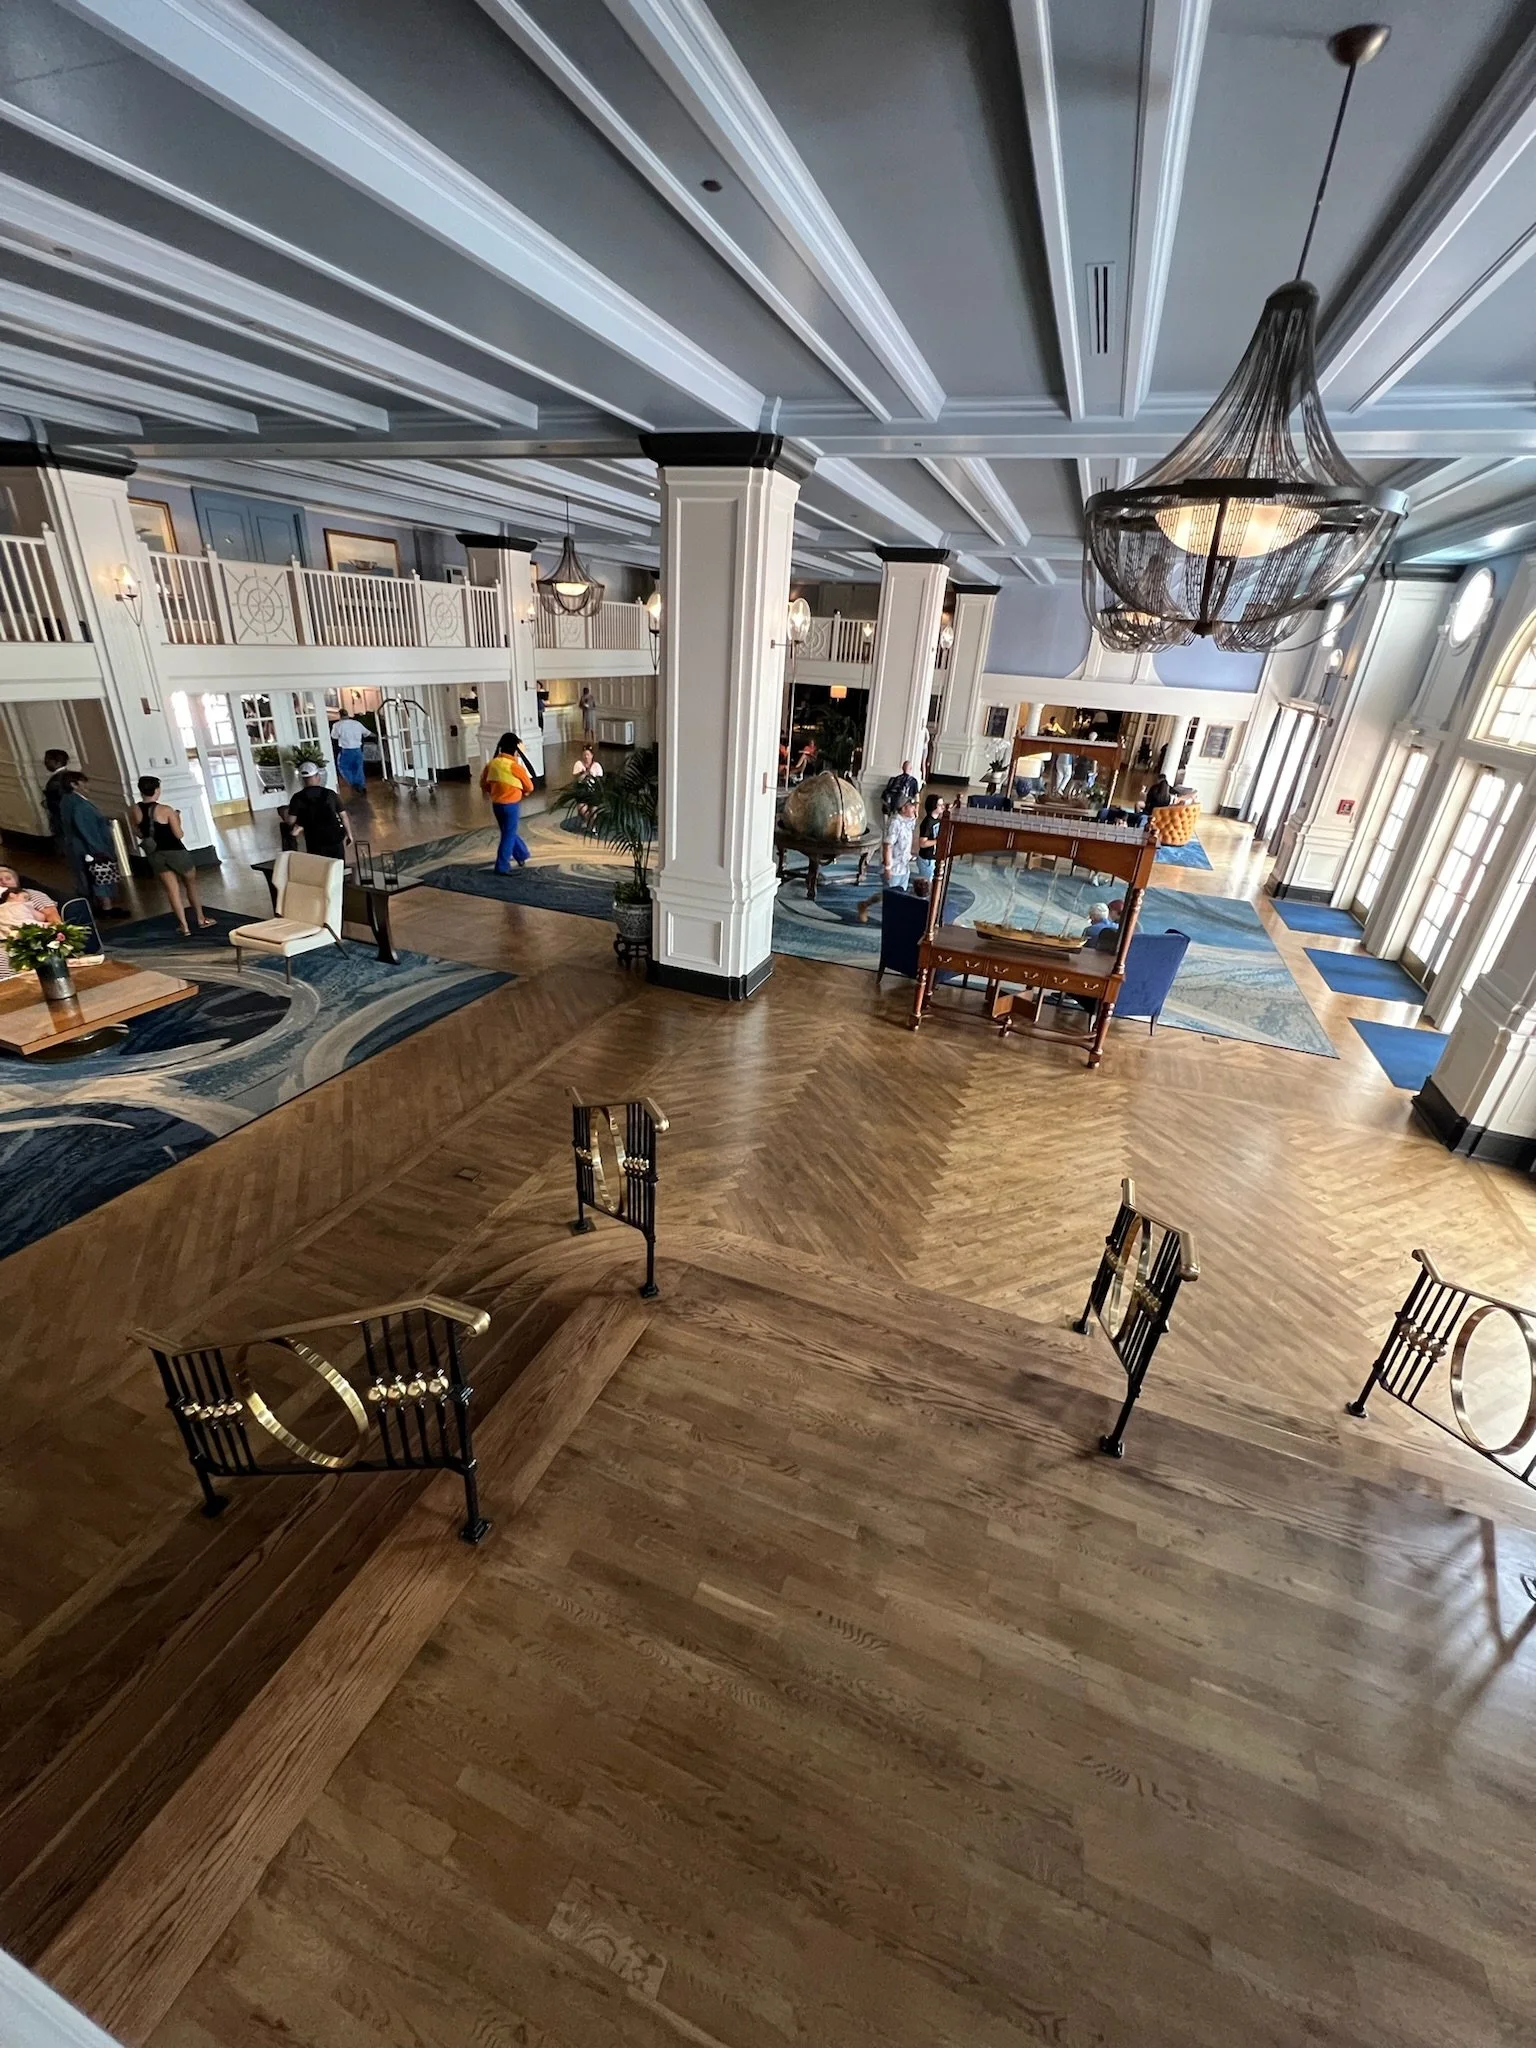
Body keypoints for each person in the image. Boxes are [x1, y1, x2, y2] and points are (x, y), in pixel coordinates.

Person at [134, 776, 214, 937]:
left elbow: (138, 832)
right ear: (157, 790)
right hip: (175, 852)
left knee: (172, 891)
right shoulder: (166, 810)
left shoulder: (134, 809)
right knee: (190, 884)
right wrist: (178, 818)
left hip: (155, 854)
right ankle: (200, 919)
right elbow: (178, 834)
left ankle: (184, 926)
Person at [57, 772, 126, 916]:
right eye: (83, 782)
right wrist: (99, 849)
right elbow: (87, 829)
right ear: (73, 784)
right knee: (99, 875)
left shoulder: (67, 801)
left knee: (87, 877)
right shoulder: (80, 805)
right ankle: (106, 908)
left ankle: (97, 906)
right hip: (89, 848)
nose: (87, 785)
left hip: (77, 847)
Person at [480, 730, 535, 873]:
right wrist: (525, 792)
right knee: (508, 834)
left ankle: (521, 854)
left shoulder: (492, 764)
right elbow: (529, 786)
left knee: (507, 832)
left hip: (496, 805)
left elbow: (483, 783)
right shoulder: (514, 766)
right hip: (511, 805)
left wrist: (492, 791)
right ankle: (502, 865)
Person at [288, 759, 352, 860]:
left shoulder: (297, 798)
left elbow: (291, 821)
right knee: (338, 867)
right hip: (334, 838)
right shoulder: (330, 794)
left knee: (319, 868)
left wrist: (299, 827)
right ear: (318, 776)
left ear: (302, 779)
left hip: (314, 840)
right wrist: (349, 835)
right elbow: (343, 816)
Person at [883, 794, 918, 892]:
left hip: (904, 868)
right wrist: (887, 868)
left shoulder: (907, 821)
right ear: (903, 808)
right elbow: (888, 846)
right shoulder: (895, 823)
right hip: (894, 870)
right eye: (911, 806)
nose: (914, 808)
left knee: (901, 896)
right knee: (891, 898)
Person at [330, 710, 369, 796]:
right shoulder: (357, 723)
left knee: (344, 767)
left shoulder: (337, 725)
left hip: (346, 750)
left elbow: (334, 736)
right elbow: (367, 733)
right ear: (348, 714)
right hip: (358, 749)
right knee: (359, 768)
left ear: (340, 715)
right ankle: (361, 785)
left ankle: (353, 783)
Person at [913, 794, 945, 894]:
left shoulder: (937, 820)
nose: (942, 807)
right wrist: (938, 841)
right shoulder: (927, 823)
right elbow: (922, 843)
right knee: (926, 886)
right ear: (933, 806)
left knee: (931, 884)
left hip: (933, 858)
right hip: (927, 859)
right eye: (940, 805)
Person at [41, 748, 72, 843]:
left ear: (57, 762)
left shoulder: (56, 780)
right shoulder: (68, 775)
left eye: (47, 760)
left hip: (60, 819)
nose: (45, 763)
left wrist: (47, 803)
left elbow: (57, 801)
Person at [572, 745, 604, 828]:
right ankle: (587, 821)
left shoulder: (597, 766)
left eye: (588, 755)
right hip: (582, 791)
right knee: (582, 809)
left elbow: (600, 781)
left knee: (594, 811)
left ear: (592, 756)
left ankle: (592, 826)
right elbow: (577, 779)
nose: (586, 757)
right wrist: (585, 774)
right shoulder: (578, 764)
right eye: (584, 755)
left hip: (593, 792)